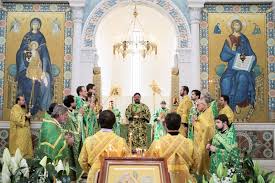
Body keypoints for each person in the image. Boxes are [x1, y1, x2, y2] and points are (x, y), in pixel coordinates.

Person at [78, 110, 130, 183]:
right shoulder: (121, 141)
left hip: (94, 177)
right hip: (113, 177)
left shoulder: (89, 140)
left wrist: (91, 170)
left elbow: (82, 161)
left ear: (98, 122)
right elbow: (127, 161)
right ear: (114, 123)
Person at [147, 113, 199, 183]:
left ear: (165, 125)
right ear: (180, 125)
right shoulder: (189, 143)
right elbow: (195, 163)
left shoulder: (157, 143)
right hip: (185, 179)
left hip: (164, 178)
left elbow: (150, 163)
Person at [16, 18, 53, 115]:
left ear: (39, 25)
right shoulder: (27, 36)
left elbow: (44, 56)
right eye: (33, 23)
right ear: (31, 25)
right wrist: (25, 53)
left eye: (37, 24)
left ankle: (42, 105)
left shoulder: (41, 37)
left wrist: (44, 71)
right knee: (27, 82)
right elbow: (21, 52)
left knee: (46, 80)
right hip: (26, 68)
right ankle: (27, 105)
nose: (35, 25)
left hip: (38, 70)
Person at [220, 19, 257, 111]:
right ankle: (227, 106)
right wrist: (233, 52)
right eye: (235, 25)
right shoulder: (229, 39)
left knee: (242, 77)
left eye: (238, 25)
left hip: (243, 68)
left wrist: (251, 59)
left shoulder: (244, 39)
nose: (237, 27)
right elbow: (223, 56)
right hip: (231, 68)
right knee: (225, 80)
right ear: (232, 26)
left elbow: (250, 53)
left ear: (240, 26)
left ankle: (237, 102)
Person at [63, 95, 84, 181]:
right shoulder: (68, 114)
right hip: (69, 141)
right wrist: (80, 115)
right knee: (71, 160)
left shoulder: (69, 112)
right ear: (71, 103)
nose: (76, 103)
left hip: (69, 140)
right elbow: (77, 130)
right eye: (75, 101)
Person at [193, 98, 216, 176]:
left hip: (205, 141)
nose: (196, 107)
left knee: (202, 155)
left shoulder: (208, 112)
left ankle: (201, 173)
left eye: (197, 105)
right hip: (200, 140)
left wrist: (196, 123)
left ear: (203, 105)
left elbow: (208, 127)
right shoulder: (204, 113)